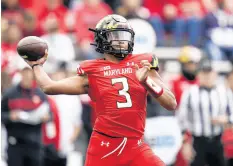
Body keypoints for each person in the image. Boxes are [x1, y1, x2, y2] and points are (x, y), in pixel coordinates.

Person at [24, 14, 177, 166]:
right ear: (102, 39)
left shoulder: (142, 64)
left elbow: (171, 103)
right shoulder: (93, 71)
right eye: (115, 35)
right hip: (104, 146)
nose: (122, 41)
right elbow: (49, 86)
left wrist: (147, 82)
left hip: (135, 145)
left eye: (124, 35)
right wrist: (36, 65)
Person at [177, 59, 231, 166]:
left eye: (209, 72)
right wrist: (185, 143)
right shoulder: (190, 93)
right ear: (198, 74)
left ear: (215, 74)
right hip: (198, 141)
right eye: (203, 72)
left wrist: (226, 119)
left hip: (218, 140)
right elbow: (181, 119)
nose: (207, 76)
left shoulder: (224, 91)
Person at [1, 66, 50, 166]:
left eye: (29, 74)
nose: (27, 76)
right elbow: (1, 115)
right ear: (21, 74)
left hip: (34, 143)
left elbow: (50, 115)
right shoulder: (10, 94)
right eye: (25, 73)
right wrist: (10, 116)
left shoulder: (40, 94)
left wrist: (47, 117)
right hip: (15, 142)